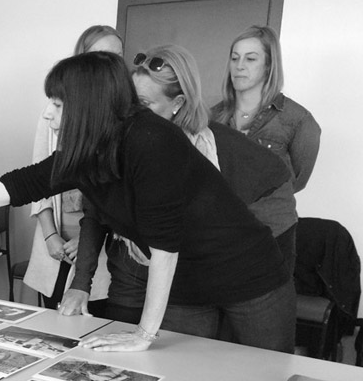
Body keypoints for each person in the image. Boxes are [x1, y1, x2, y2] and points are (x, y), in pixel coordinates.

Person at [0, 52, 294, 353]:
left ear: (89, 106)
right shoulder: (86, 152)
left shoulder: (151, 141)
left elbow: (166, 246)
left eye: (57, 104)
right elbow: (2, 189)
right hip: (185, 286)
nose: (48, 114)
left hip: (248, 276)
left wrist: (143, 333)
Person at [64, 44, 293, 332]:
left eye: (144, 105)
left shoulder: (215, 147)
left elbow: (269, 198)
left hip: (204, 274)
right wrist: (80, 282)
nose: (128, 114)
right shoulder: (115, 143)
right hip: (135, 264)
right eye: (127, 103)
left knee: (212, 359)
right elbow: (95, 212)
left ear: (178, 103)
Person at [24, 25, 121, 311]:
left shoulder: (119, 115)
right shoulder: (55, 109)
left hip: (97, 244)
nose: (110, 64)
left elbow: (119, 195)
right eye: (100, 55)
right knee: (54, 322)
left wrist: (88, 240)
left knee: (93, 318)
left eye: (117, 56)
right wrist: (50, 235)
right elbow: (36, 179)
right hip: (54, 236)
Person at [211, 25, 321, 275]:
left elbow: (295, 181)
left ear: (269, 66)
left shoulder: (298, 119)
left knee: (266, 310)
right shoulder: (213, 116)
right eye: (235, 57)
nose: (239, 66)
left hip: (273, 232)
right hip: (219, 232)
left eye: (251, 59)